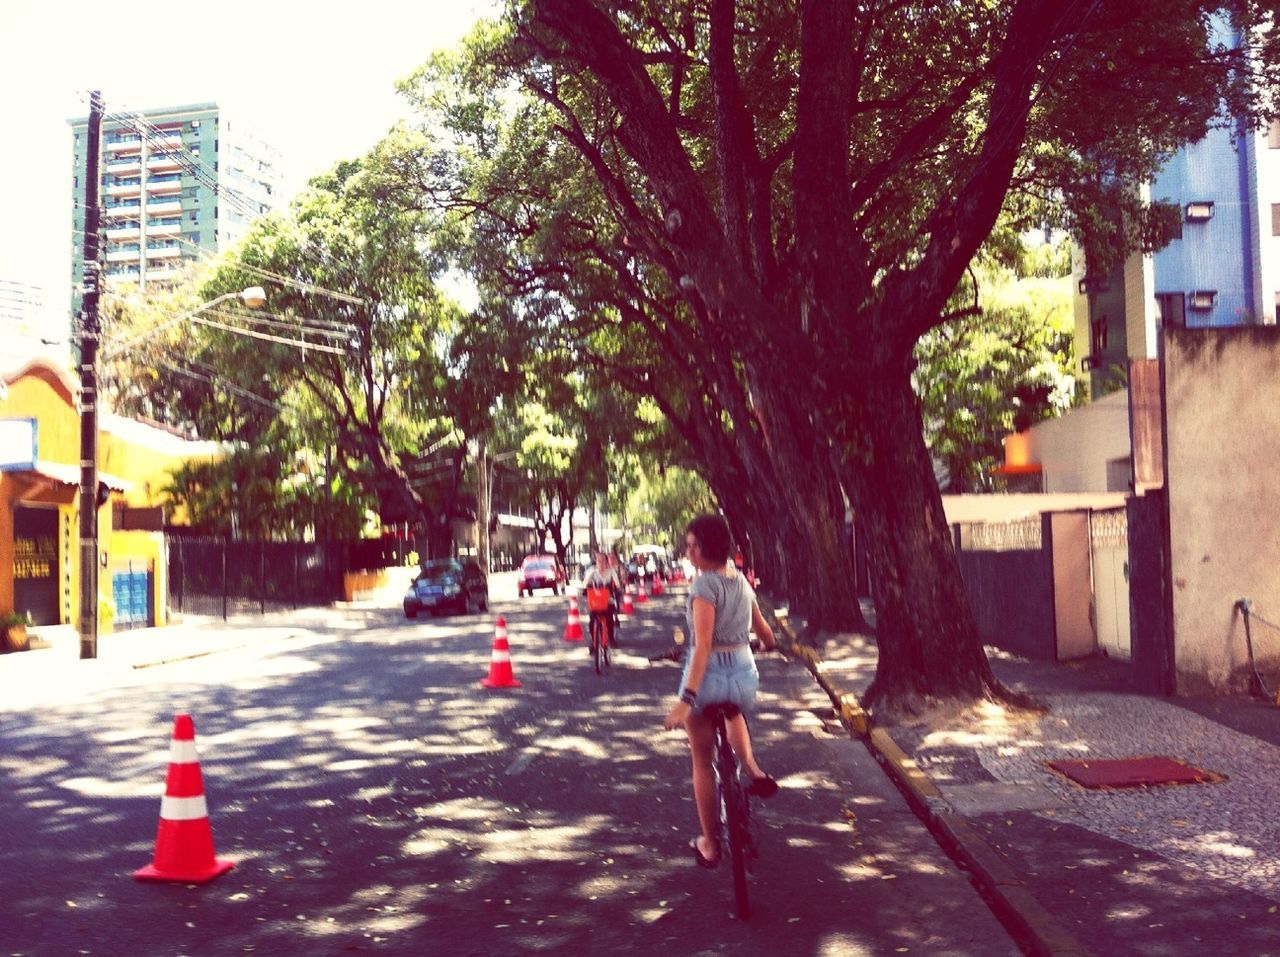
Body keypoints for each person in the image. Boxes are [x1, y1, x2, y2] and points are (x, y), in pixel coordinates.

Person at [663, 513, 778, 870]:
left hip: (707, 678)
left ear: (704, 547)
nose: (688, 551)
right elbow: (766, 634)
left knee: (702, 760)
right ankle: (753, 768)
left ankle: (711, 844)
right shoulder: (742, 583)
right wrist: (764, 645)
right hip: (744, 676)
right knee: (734, 712)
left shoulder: (703, 587)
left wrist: (686, 701)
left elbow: (702, 647)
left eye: (692, 545)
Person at [581, 550, 623, 649]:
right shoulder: (592, 571)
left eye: (603, 561)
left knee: (609, 619)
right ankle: (594, 641)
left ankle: (611, 638)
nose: (601, 563)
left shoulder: (611, 571)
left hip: (608, 599)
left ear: (606, 561)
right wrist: (585, 588)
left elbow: (617, 584)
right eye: (599, 561)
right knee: (592, 621)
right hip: (595, 600)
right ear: (596, 562)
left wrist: (618, 590)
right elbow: (585, 583)